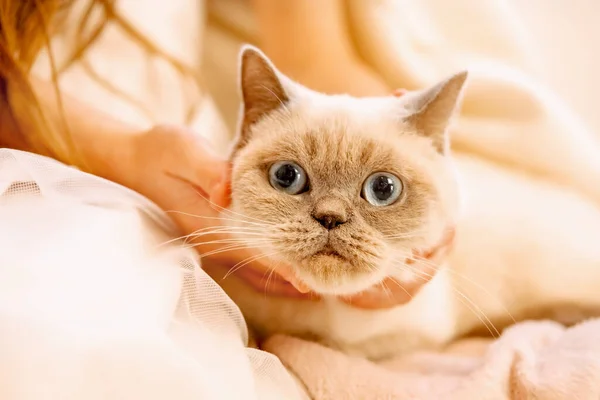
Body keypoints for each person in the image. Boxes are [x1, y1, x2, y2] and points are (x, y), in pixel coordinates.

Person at [0, 0, 445, 311]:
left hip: (190, 171)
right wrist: (126, 154)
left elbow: (314, 62)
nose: (330, 213)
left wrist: (403, 148)